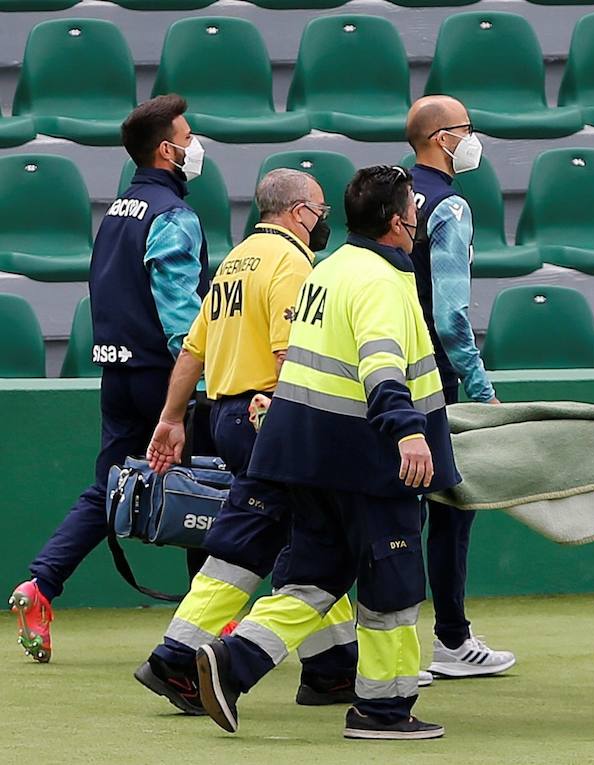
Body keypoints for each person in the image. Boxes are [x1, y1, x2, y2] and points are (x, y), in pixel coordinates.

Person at [193, 166, 456, 741]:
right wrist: (408, 431)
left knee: (312, 579)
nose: (418, 219)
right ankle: (383, 711)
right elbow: (381, 362)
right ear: (397, 222)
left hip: (305, 457)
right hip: (365, 460)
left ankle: (232, 663)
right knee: (393, 584)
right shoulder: (383, 281)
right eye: (413, 210)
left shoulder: (328, 268)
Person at [135, 169, 358, 714]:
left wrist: (172, 418)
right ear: (298, 210)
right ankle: (176, 658)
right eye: (320, 210)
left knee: (305, 539)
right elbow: (292, 356)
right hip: (271, 415)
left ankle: (332, 669)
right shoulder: (292, 263)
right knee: (269, 545)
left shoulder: (236, 260)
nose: (323, 220)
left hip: (228, 415)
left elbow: (192, 352)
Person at [10, 95, 209, 663]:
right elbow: (178, 313)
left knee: (109, 486)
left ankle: (41, 586)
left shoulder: (118, 210)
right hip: (162, 377)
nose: (197, 147)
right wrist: (191, 385)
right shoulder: (173, 216)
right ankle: (205, 626)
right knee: (205, 493)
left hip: (116, 371)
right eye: (189, 137)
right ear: (168, 150)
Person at [404, 95, 514, 680]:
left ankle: (363, 641)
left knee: (384, 510)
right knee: (450, 505)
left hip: (376, 371)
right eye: (468, 130)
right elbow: (450, 315)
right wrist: (479, 385)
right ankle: (449, 639)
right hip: (429, 382)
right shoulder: (450, 207)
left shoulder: (392, 192)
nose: (475, 141)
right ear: (443, 138)